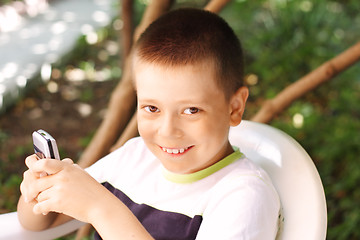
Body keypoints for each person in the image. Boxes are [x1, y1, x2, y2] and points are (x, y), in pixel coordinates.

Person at [17, 8, 280, 240]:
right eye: (152, 108)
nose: (167, 131)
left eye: (191, 110)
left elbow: (98, 207)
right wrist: (38, 190)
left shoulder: (244, 194)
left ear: (234, 107)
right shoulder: (133, 158)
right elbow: (40, 222)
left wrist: (101, 208)